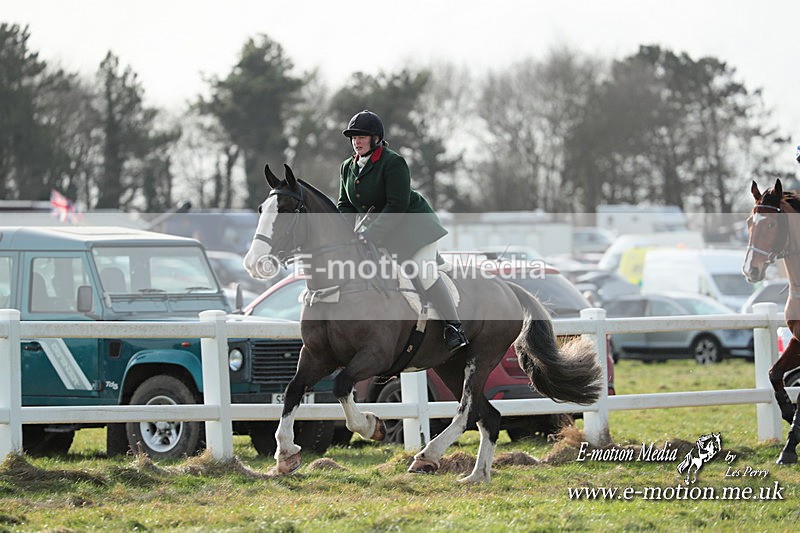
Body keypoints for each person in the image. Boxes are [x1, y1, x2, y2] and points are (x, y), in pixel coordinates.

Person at [336, 109, 468, 352]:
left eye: (362, 136)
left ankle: (454, 327)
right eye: (353, 137)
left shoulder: (393, 162)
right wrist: (345, 232)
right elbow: (345, 205)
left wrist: (371, 234)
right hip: (382, 232)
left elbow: (397, 205)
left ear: (376, 138)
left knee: (423, 272)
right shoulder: (347, 167)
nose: (356, 141)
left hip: (414, 229)